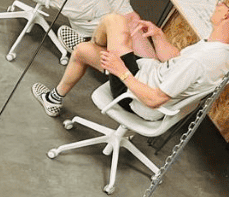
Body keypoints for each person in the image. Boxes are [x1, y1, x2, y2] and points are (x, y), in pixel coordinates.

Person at [32, 1, 229, 120]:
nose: (217, 4)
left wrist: (121, 71)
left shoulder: (199, 61)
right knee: (82, 51)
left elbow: (153, 100)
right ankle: (53, 99)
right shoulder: (219, 50)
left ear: (227, 15)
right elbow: (176, 61)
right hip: (147, 75)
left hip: (135, 96)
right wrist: (159, 36)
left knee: (114, 20)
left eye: (222, 2)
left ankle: (96, 45)